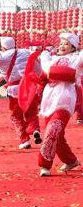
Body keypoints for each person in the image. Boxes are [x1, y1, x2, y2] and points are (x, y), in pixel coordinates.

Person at [0, 36, 41, 149]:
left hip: (15, 89)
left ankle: (24, 140)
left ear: (3, 47)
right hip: (30, 86)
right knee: (31, 112)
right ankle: (35, 129)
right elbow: (37, 68)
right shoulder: (26, 52)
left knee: (16, 115)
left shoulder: (2, 57)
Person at [35, 32, 81, 176]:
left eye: (66, 44)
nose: (62, 46)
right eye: (61, 43)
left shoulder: (76, 59)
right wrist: (44, 54)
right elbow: (45, 67)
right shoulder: (52, 59)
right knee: (57, 135)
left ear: (73, 48)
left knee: (53, 130)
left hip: (65, 101)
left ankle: (45, 165)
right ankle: (71, 161)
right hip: (49, 101)